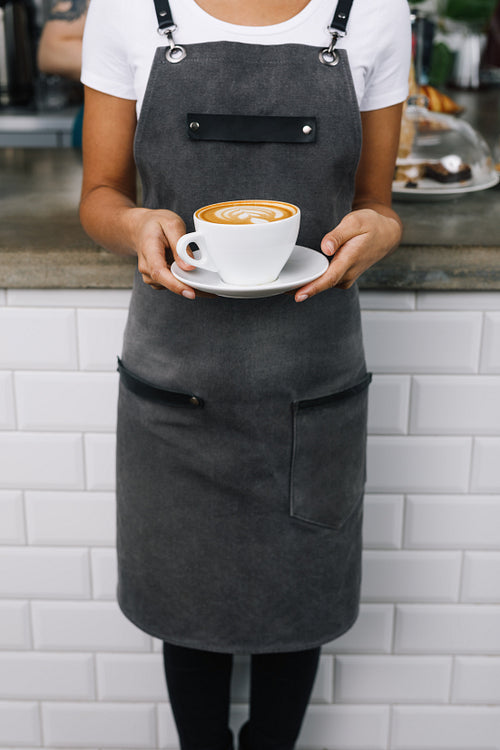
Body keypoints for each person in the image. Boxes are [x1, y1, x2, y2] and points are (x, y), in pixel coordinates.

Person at [79, 1, 411, 749]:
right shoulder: (130, 9)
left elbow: (375, 203)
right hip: (175, 380)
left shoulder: (374, 13)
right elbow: (100, 195)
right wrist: (134, 225)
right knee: (186, 614)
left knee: (296, 611)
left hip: (309, 381)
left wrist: (384, 228)